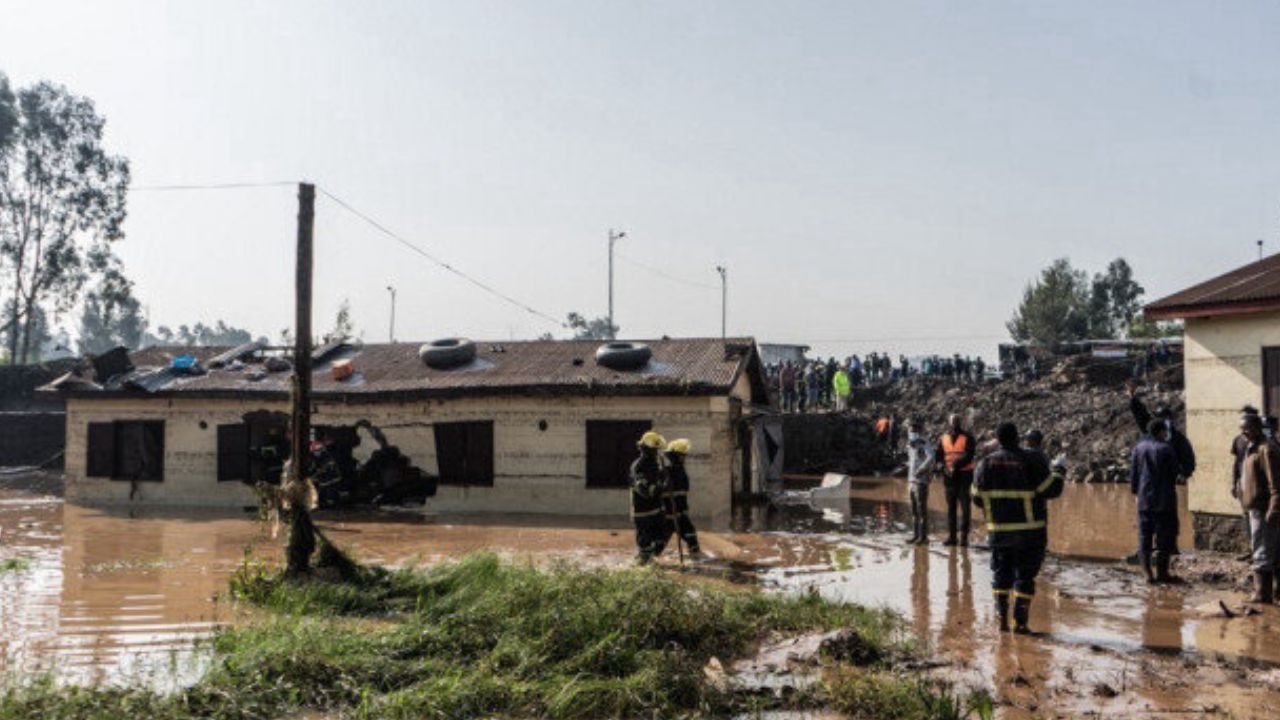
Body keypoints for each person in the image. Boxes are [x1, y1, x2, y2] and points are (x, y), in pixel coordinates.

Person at [973, 422, 1066, 634]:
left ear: (998, 440)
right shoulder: (1031, 459)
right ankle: (1020, 624)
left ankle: (1002, 621)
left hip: (999, 534)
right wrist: (1060, 469)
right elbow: (1051, 490)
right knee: (1024, 577)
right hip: (1030, 535)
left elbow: (977, 498)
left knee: (1000, 574)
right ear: (1017, 438)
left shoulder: (985, 464)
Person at [1131, 420, 1183, 583]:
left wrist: (1136, 493)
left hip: (1144, 499)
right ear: (1161, 432)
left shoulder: (1138, 448)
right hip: (1164, 499)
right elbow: (1175, 473)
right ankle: (1162, 573)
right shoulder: (1166, 449)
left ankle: (1147, 574)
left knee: (1144, 536)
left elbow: (1134, 474)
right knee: (1164, 537)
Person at [1239, 413, 1280, 603]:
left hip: (1264, 509)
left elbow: (1275, 484)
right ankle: (1272, 592)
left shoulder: (1266, 449)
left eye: (1247, 428)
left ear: (1257, 427)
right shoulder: (1250, 447)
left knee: (1262, 552)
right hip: (1254, 508)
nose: (1243, 432)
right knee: (1267, 549)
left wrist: (1274, 507)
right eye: (1241, 429)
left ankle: (1262, 594)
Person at [935, 413, 976, 546]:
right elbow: (939, 456)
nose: (955, 424)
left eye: (957, 421)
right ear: (949, 423)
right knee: (951, 508)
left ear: (961, 422)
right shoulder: (943, 438)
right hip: (949, 478)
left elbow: (969, 455)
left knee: (965, 508)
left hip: (964, 476)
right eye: (953, 421)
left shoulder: (968, 437)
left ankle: (964, 537)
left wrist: (955, 466)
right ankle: (952, 537)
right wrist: (941, 466)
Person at [629, 431, 670, 564]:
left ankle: (652, 561)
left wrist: (664, 476)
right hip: (643, 512)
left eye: (658, 450)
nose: (657, 452)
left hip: (657, 509)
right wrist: (662, 485)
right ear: (647, 449)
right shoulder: (639, 466)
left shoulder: (654, 464)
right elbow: (646, 491)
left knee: (661, 537)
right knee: (645, 544)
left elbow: (657, 484)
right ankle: (641, 566)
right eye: (655, 450)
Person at [660, 438, 701, 557]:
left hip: (680, 512)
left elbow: (683, 492)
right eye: (682, 456)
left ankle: (695, 557)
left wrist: (684, 509)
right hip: (670, 513)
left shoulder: (680, 471)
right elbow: (662, 493)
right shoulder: (666, 472)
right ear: (675, 456)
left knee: (690, 533)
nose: (684, 458)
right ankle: (648, 559)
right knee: (661, 539)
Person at [906, 420, 935, 545]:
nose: (911, 433)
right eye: (910, 431)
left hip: (920, 481)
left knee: (921, 510)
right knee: (913, 510)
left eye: (913, 431)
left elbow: (931, 457)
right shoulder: (910, 445)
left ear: (918, 432)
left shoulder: (924, 443)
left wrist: (922, 469)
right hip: (911, 481)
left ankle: (923, 538)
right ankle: (916, 535)